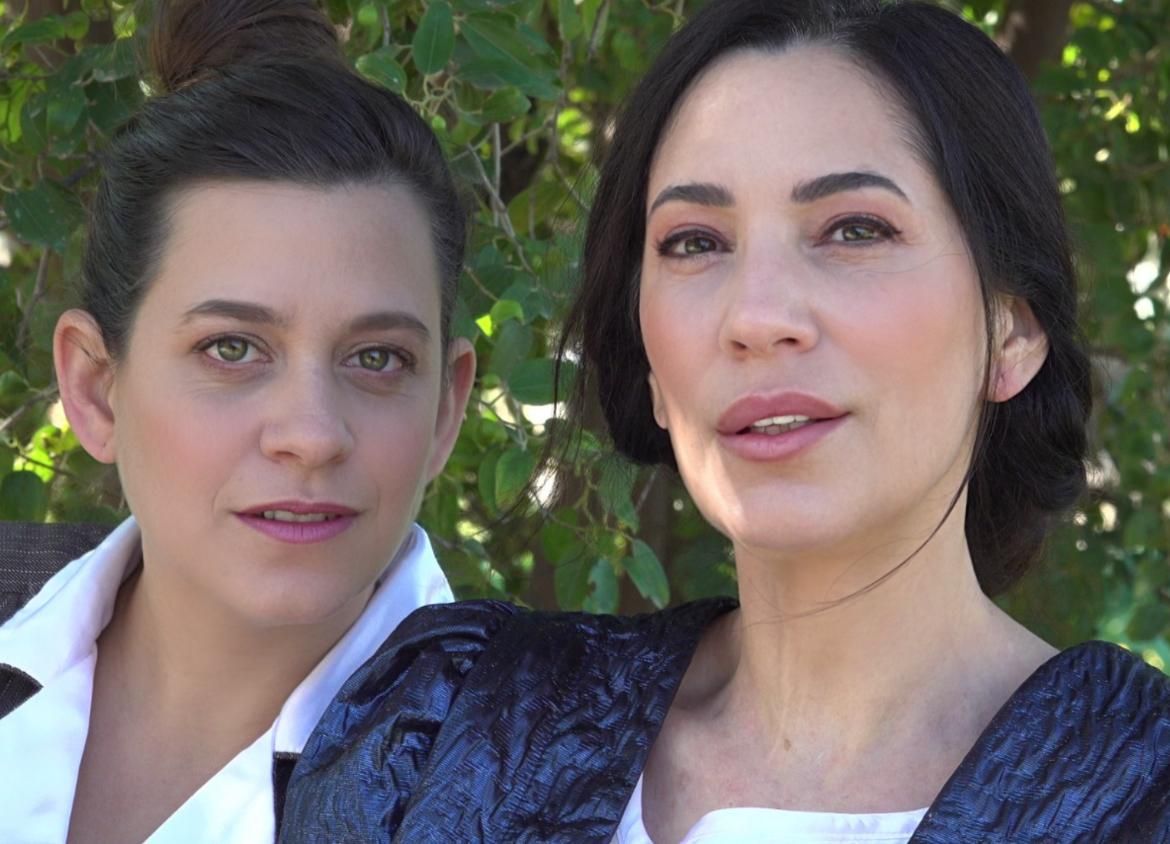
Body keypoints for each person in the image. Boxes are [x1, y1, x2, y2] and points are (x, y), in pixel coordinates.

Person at [279, 0, 1170, 841]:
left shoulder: (1142, 791)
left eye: (855, 230)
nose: (755, 317)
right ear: (651, 367)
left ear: (1012, 331)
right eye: (695, 243)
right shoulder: (449, 729)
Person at [0, 1, 475, 841]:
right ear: (97, 388)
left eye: (377, 358)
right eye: (232, 349)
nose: (312, 435)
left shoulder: (547, 778)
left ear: (445, 408)